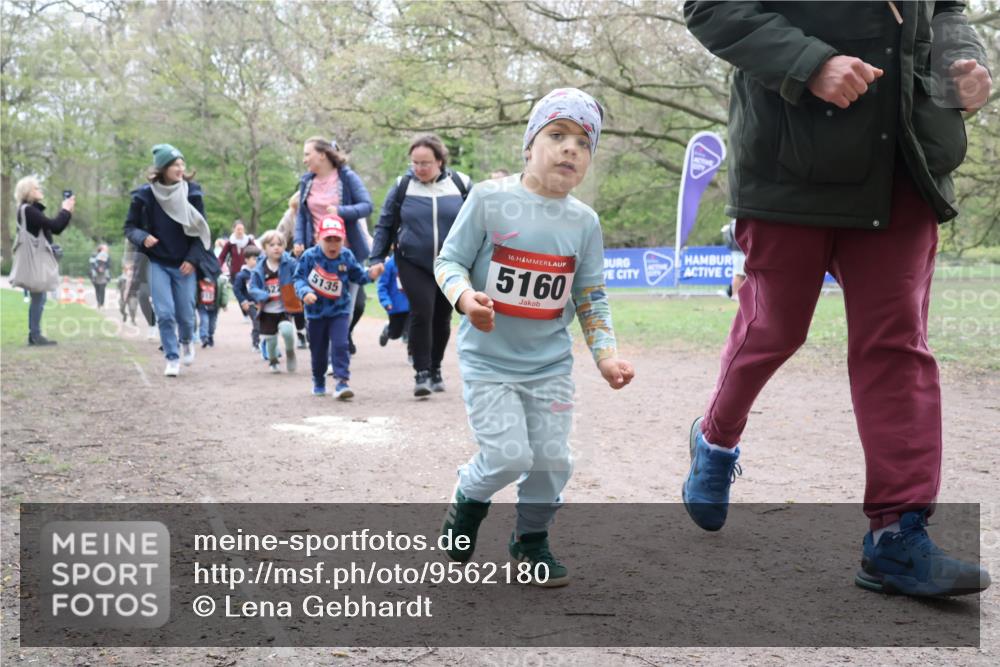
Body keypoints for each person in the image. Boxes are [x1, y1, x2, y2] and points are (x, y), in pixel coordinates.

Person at [683, 1, 992, 597]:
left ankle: (896, 534)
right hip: (787, 162)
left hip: (904, 160)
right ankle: (714, 440)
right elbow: (712, 7)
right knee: (776, 329)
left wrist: (962, 57)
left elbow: (948, 8)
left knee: (896, 345)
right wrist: (810, 63)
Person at [435, 88, 635, 586]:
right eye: (557, 135)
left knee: (551, 459)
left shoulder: (584, 223)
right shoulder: (488, 198)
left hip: (549, 365)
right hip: (489, 361)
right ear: (529, 146)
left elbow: (591, 295)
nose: (571, 149)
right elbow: (448, 261)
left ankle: (530, 542)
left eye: (583, 143)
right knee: (507, 456)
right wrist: (465, 299)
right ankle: (468, 495)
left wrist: (606, 356)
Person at [370, 134, 473, 396]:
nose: (419, 168)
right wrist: (377, 258)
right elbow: (385, 223)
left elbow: (480, 220)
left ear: (440, 161)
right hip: (412, 261)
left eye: (425, 163)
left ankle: (436, 368)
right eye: (415, 162)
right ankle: (422, 373)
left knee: (442, 316)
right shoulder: (403, 186)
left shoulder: (461, 184)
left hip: (451, 263)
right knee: (422, 311)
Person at [124, 144, 219, 377]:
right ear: (163, 168)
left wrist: (193, 259)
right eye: (175, 164)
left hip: (184, 264)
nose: (180, 168)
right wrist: (143, 237)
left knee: (186, 314)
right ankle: (171, 356)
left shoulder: (192, 193)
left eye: (181, 163)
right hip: (157, 263)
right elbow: (129, 227)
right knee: (164, 313)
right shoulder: (144, 196)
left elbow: (202, 231)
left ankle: (186, 340)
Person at [294, 137, 375, 357]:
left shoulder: (347, 177)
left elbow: (367, 206)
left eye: (307, 154)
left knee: (348, 307)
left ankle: (335, 351)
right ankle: (327, 350)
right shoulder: (306, 182)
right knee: (317, 305)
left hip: (346, 254)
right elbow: (302, 215)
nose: (304, 160)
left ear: (322, 154)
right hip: (317, 255)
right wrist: (298, 240)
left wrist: (341, 211)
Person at [294, 216, 383, 398]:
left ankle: (342, 382)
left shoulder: (346, 256)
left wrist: (372, 274)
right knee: (318, 351)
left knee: (341, 345)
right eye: (328, 239)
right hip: (315, 313)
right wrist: (305, 293)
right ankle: (318, 380)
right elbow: (298, 279)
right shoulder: (310, 257)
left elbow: (359, 276)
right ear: (319, 238)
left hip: (339, 311)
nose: (333, 245)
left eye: (337, 239)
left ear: (343, 239)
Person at [14, 175, 74, 346]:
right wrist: (66, 209)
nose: (40, 190)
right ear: (28, 191)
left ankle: (34, 334)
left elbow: (54, 228)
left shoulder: (29, 210)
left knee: (39, 297)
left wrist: (66, 211)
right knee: (39, 297)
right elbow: (55, 226)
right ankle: (35, 335)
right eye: (36, 188)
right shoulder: (28, 210)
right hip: (36, 258)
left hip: (37, 257)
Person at [248, 230, 298, 373]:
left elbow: (299, 273)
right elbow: (252, 288)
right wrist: (262, 295)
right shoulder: (259, 268)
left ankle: (290, 353)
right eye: (272, 245)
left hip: (284, 308)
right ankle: (273, 361)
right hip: (267, 310)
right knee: (271, 339)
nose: (276, 247)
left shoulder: (289, 263)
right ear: (264, 248)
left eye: (280, 244)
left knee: (287, 330)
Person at [376, 252, 410, 350]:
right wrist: (386, 301)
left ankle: (413, 354)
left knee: (413, 331)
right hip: (396, 306)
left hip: (412, 305)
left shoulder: (415, 261)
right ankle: (388, 331)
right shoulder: (389, 264)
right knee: (395, 334)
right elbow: (382, 286)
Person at [232, 244, 262, 351]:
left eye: (258, 259)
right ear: (246, 260)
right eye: (254, 259)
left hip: (261, 303)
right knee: (256, 321)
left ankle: (265, 342)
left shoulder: (261, 273)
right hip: (250, 304)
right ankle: (256, 343)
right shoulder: (242, 275)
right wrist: (243, 301)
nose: (257, 261)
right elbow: (236, 289)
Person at [197, 271, 229, 348]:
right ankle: (204, 337)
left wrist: (224, 303)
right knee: (204, 321)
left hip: (214, 306)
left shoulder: (220, 280)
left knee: (212, 324)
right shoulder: (198, 279)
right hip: (202, 305)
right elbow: (195, 292)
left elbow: (223, 292)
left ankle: (210, 335)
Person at [720, 219, 745, 299]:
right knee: (739, 274)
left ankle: (737, 294)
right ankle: (735, 295)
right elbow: (738, 237)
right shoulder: (735, 222)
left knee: (741, 274)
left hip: (740, 251)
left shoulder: (735, 221)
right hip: (739, 251)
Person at [89, 244, 111, 309]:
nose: (107, 250)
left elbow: (109, 265)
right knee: (97, 289)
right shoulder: (94, 255)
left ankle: (102, 303)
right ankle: (98, 303)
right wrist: (97, 268)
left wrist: (103, 268)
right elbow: (91, 264)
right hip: (96, 275)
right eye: (105, 249)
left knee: (102, 289)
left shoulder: (107, 257)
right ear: (101, 249)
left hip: (103, 275)